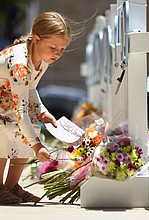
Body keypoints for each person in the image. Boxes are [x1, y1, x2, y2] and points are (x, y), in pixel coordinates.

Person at [0, 11, 72, 204]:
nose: (58, 53)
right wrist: (37, 146)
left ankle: (10, 186)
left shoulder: (41, 58)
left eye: (62, 49)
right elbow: (20, 111)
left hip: (6, 102)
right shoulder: (20, 63)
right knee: (5, 133)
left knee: (31, 126)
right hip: (5, 108)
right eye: (53, 47)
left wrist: (41, 112)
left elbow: (30, 87)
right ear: (37, 39)